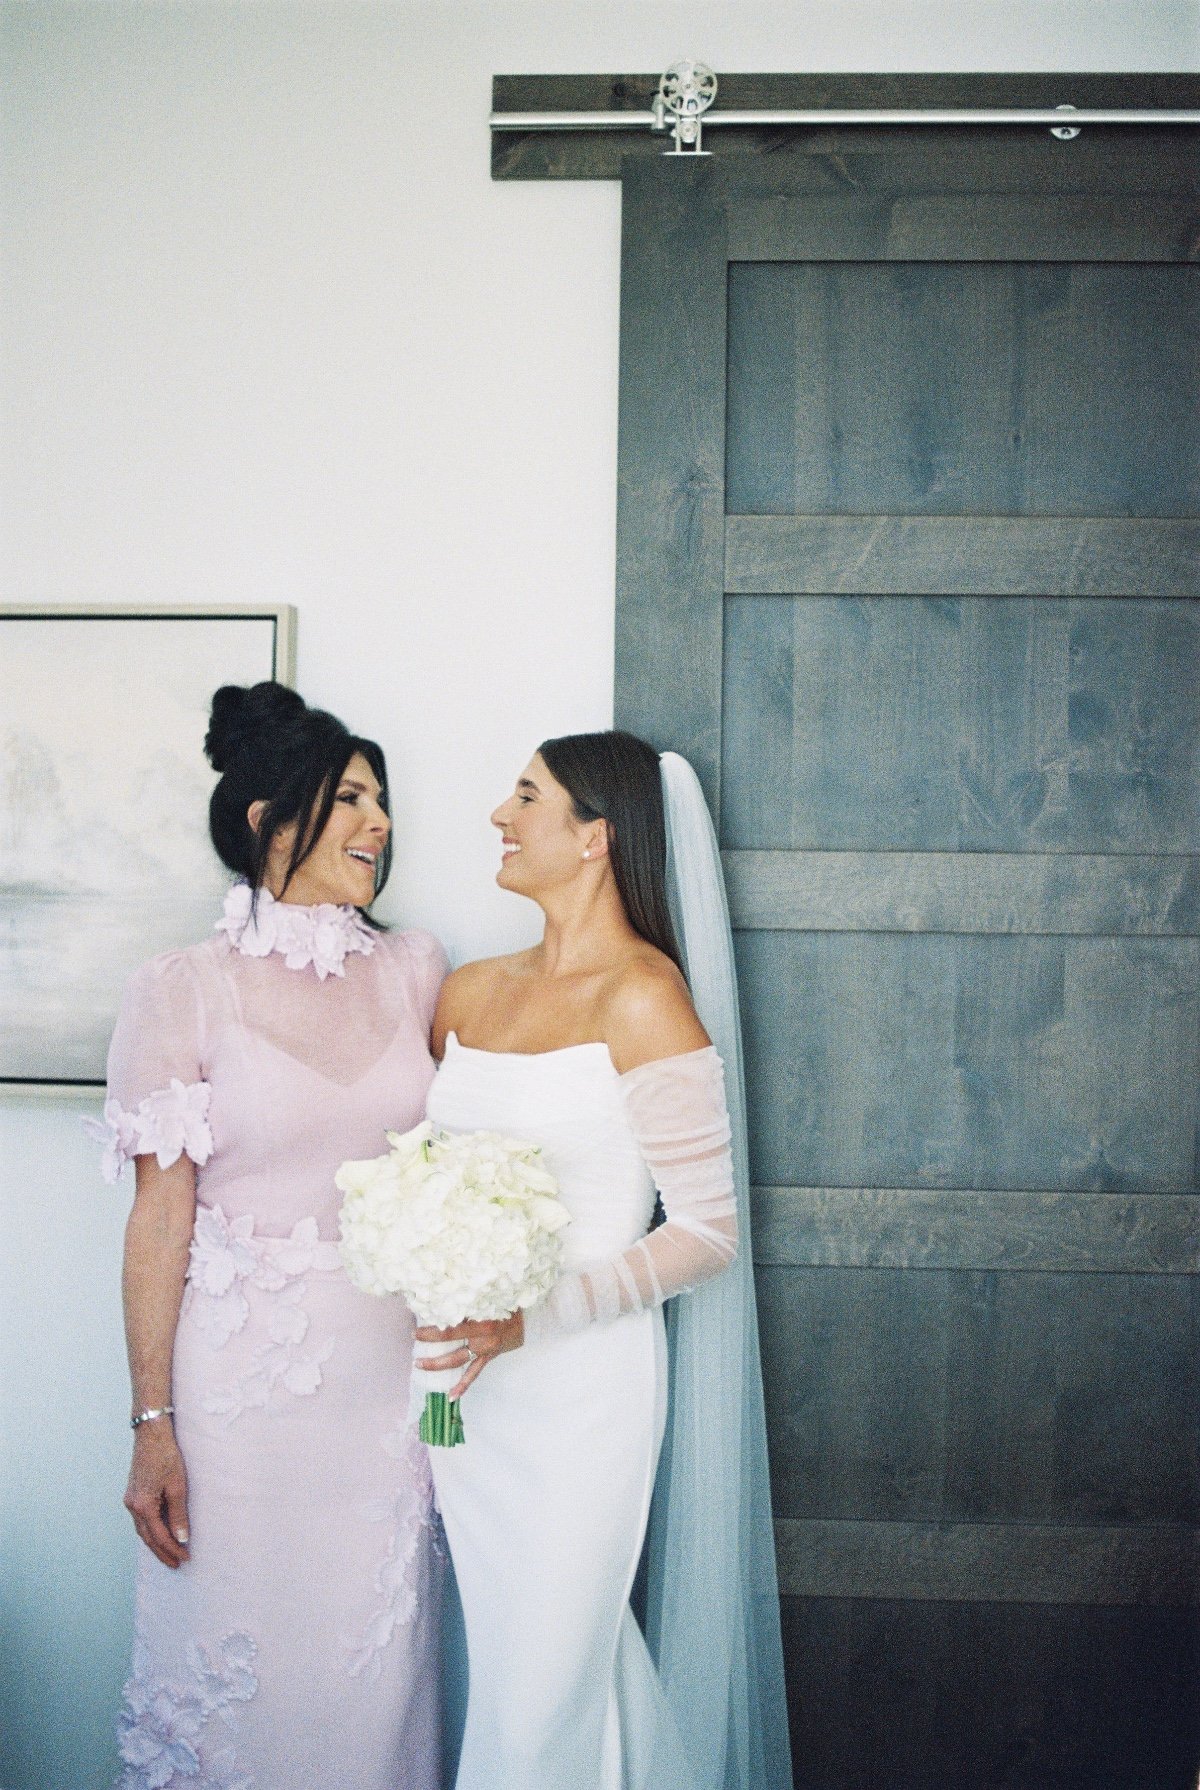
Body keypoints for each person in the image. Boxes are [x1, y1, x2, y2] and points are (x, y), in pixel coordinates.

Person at [87, 682, 447, 1790]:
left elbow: (452, 1193)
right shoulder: (180, 989)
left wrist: (450, 1421)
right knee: (236, 1682)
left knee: (377, 1683)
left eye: (382, 799)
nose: (379, 822)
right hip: (239, 1409)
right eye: (349, 797)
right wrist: (154, 1423)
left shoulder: (420, 966)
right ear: (265, 818)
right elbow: (159, 1224)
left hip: (391, 1404)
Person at [417, 730, 792, 1790]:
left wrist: (532, 1318)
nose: (499, 813)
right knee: (530, 1673)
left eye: (526, 795)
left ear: (596, 836)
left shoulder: (644, 996)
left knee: (542, 1697)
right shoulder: (467, 992)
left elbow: (707, 1230)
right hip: (461, 1392)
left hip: (580, 1395)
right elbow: (418, 1171)